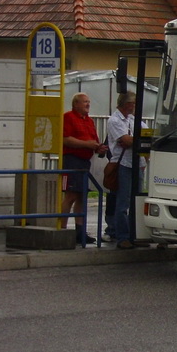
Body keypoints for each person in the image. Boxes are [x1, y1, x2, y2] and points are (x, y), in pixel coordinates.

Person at [61, 92, 107, 245]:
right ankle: (62, 229)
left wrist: (98, 148)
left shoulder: (89, 121)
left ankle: (80, 231)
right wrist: (86, 144)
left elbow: (94, 140)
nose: (88, 104)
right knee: (71, 195)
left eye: (88, 102)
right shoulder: (68, 117)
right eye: (84, 102)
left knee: (82, 195)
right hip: (72, 160)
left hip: (86, 161)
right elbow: (65, 139)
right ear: (76, 104)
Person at [106, 91, 145, 249]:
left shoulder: (133, 119)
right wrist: (136, 140)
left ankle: (135, 234)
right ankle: (122, 236)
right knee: (123, 202)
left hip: (137, 163)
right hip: (123, 164)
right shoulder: (114, 120)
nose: (134, 106)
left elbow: (146, 136)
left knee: (137, 200)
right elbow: (126, 140)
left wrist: (135, 140)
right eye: (132, 103)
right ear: (125, 104)